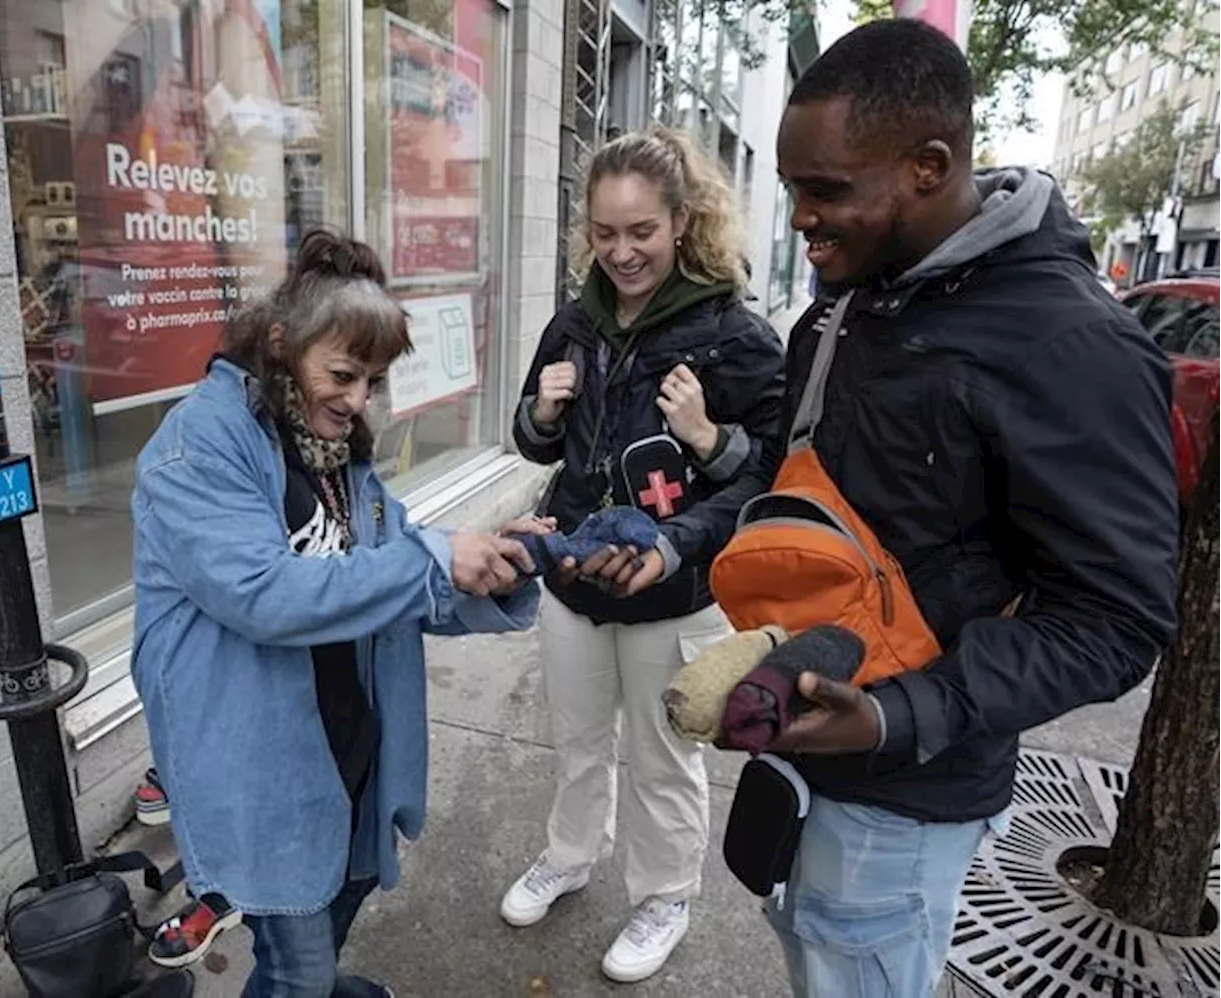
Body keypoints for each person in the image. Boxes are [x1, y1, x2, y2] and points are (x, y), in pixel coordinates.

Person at [757, 20, 1180, 996]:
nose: (798, 221)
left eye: (822, 192)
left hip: (907, 796)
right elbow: (796, 490)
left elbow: (1114, 621)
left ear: (927, 165)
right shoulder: (846, 302)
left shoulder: (1072, 348)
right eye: (790, 190)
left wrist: (897, 716)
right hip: (806, 746)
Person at [131, 230, 543, 998]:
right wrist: (431, 558)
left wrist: (488, 565)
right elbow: (262, 594)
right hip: (262, 765)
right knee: (297, 963)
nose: (358, 401)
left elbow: (392, 572)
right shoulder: (198, 447)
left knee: (332, 910)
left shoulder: (331, 451)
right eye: (345, 374)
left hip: (345, 749)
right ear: (281, 343)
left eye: (374, 381)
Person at [499, 126, 787, 983]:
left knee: (665, 757)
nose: (621, 252)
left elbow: (770, 474)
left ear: (682, 221)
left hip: (677, 588)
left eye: (641, 232)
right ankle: (570, 855)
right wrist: (544, 415)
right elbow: (535, 445)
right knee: (579, 741)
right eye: (605, 231)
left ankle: (664, 894)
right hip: (576, 584)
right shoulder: (575, 321)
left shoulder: (735, 336)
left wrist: (708, 438)